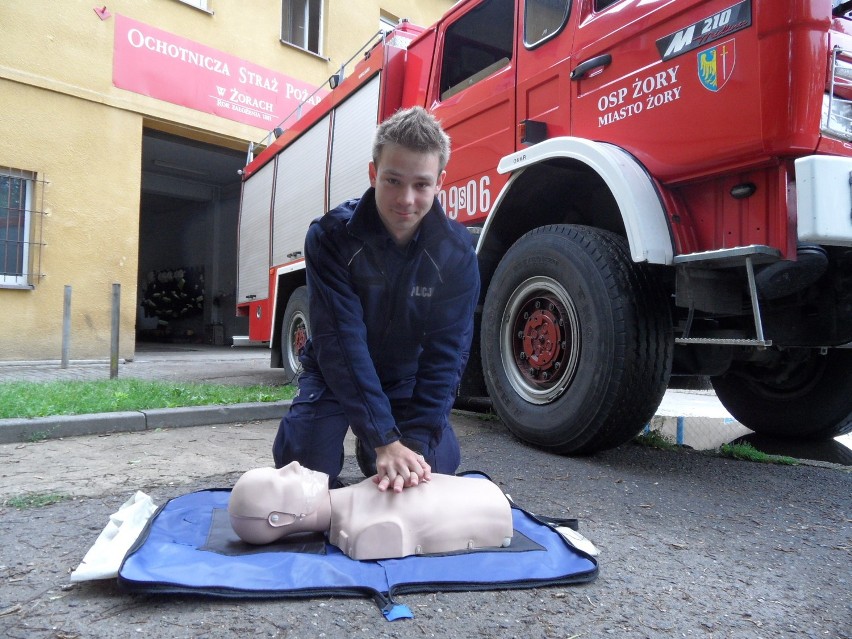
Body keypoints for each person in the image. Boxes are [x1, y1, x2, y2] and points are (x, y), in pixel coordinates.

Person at [272, 106, 480, 493]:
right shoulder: (331, 237)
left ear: (440, 182)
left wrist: (410, 448)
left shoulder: (457, 253)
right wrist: (384, 437)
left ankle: (376, 451)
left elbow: (447, 358)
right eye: (393, 181)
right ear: (373, 174)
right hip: (333, 374)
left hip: (406, 378)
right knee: (300, 472)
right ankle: (367, 440)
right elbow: (341, 342)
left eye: (421, 185)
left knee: (432, 475)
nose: (406, 199)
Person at [228, 462, 514, 560]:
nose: (291, 466)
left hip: (489, 500)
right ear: (278, 519)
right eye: (281, 480)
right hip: (494, 511)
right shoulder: (365, 530)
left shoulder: (355, 501)